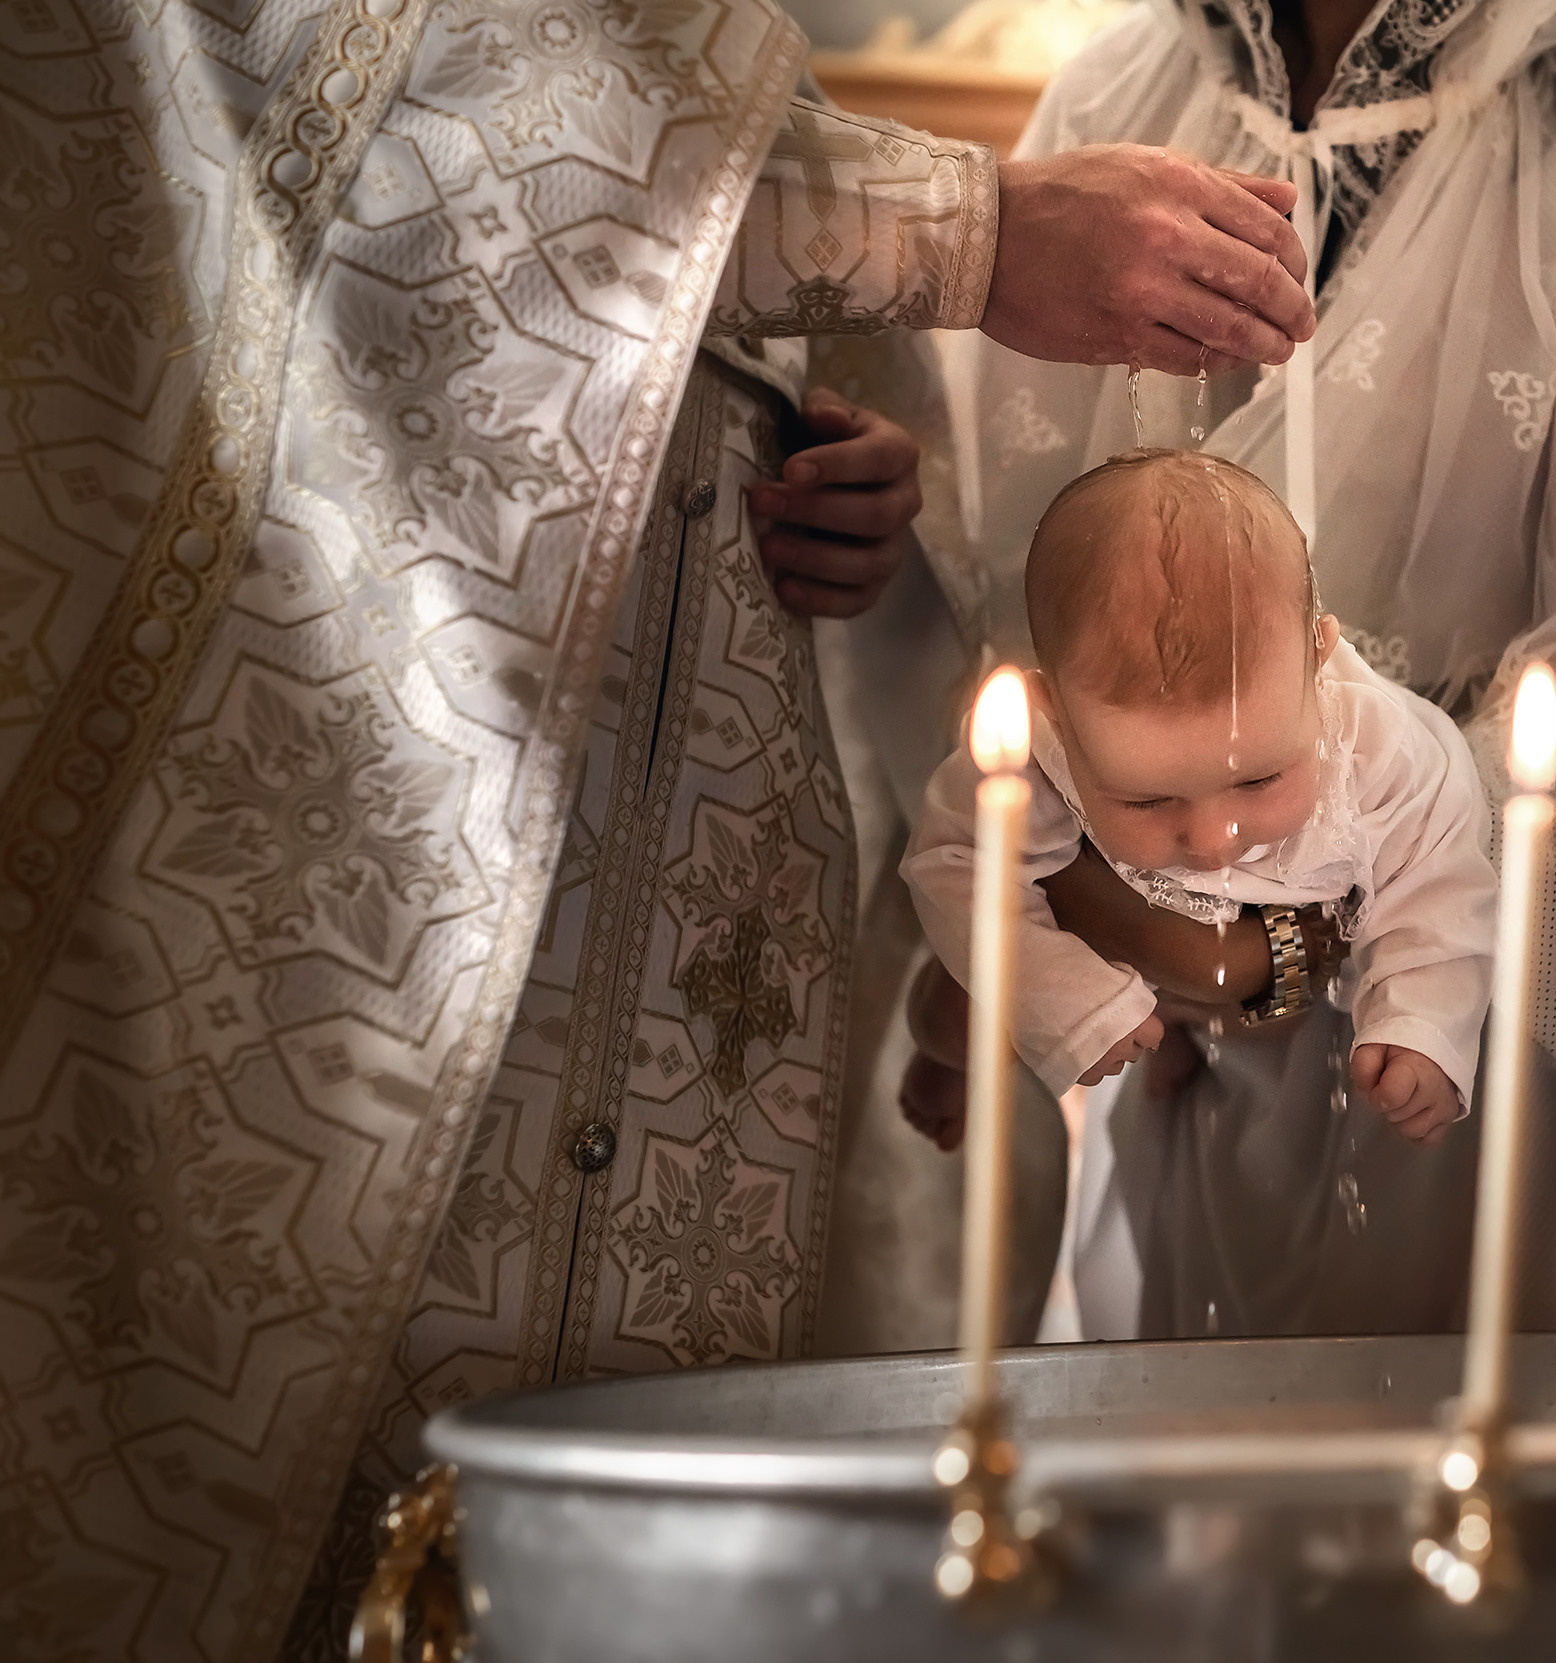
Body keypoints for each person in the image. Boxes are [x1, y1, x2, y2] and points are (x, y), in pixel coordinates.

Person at [0, 0, 1320, 1655]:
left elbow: (640, 159)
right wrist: (969, 232)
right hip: (369, 869)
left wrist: (802, 427)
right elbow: (367, 133)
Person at [786, 0, 1556, 1340]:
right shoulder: (1117, 92)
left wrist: (1238, 932)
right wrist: (890, 510)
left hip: (1508, 1040)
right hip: (1194, 1072)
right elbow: (1019, 596)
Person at [902, 450, 1494, 1149]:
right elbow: (953, 859)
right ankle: (946, 1061)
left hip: (1276, 929)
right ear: (1054, 713)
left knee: (1278, 1016)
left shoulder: (1382, 752)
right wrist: (1059, 994)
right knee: (958, 1007)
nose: (1215, 838)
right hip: (1090, 912)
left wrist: (1420, 1022)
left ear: (1317, 660)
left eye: (1257, 780)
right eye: (1148, 800)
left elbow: (1439, 882)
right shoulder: (1030, 750)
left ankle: (1179, 1031)